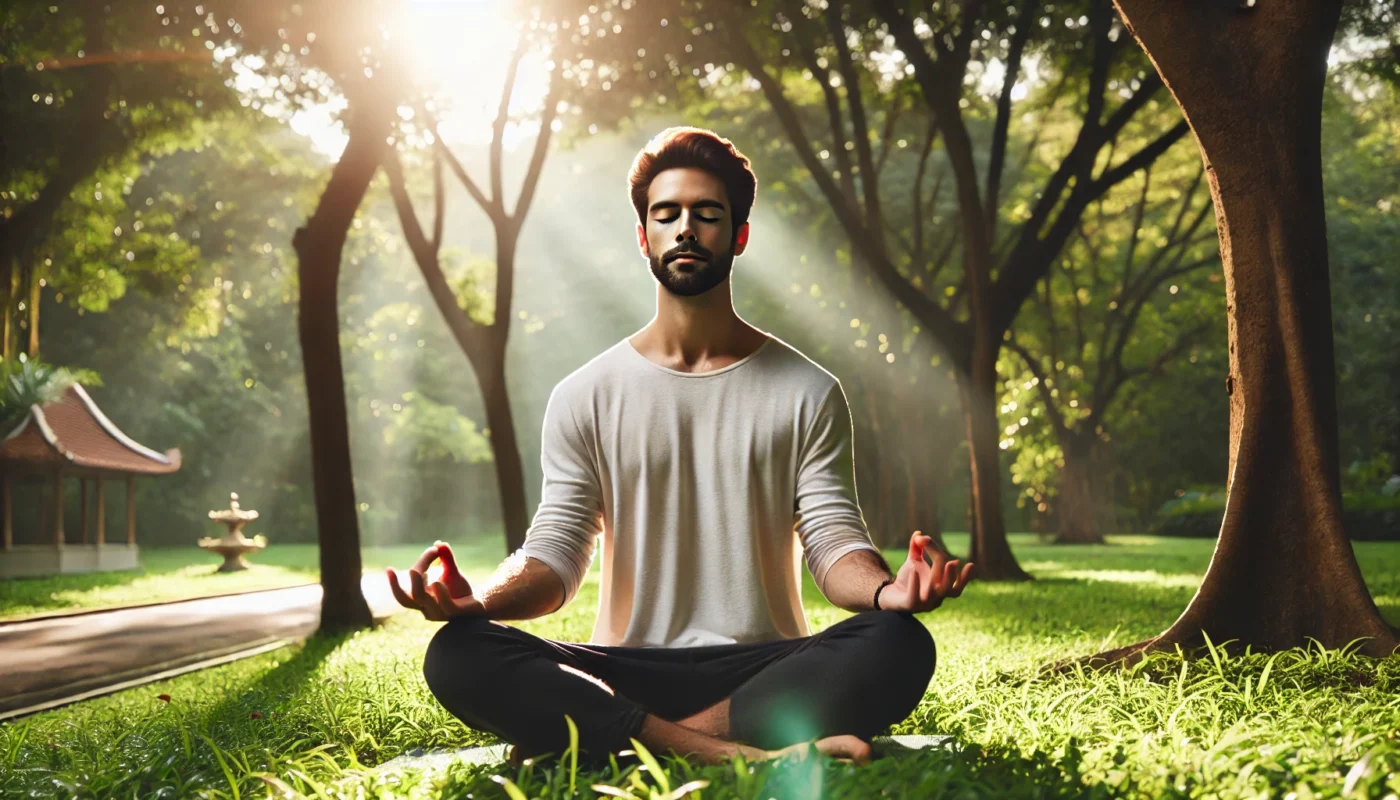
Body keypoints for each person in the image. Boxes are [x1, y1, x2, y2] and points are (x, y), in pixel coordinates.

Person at [388, 126, 975, 768]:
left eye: (707, 214)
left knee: (898, 642)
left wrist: (889, 592)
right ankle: (740, 756)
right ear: (644, 236)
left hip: (764, 665)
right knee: (459, 650)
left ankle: (619, 742)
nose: (686, 229)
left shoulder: (809, 390)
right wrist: (481, 602)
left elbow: (834, 542)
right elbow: (557, 551)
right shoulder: (584, 393)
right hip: (624, 666)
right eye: (666, 214)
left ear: (739, 236)